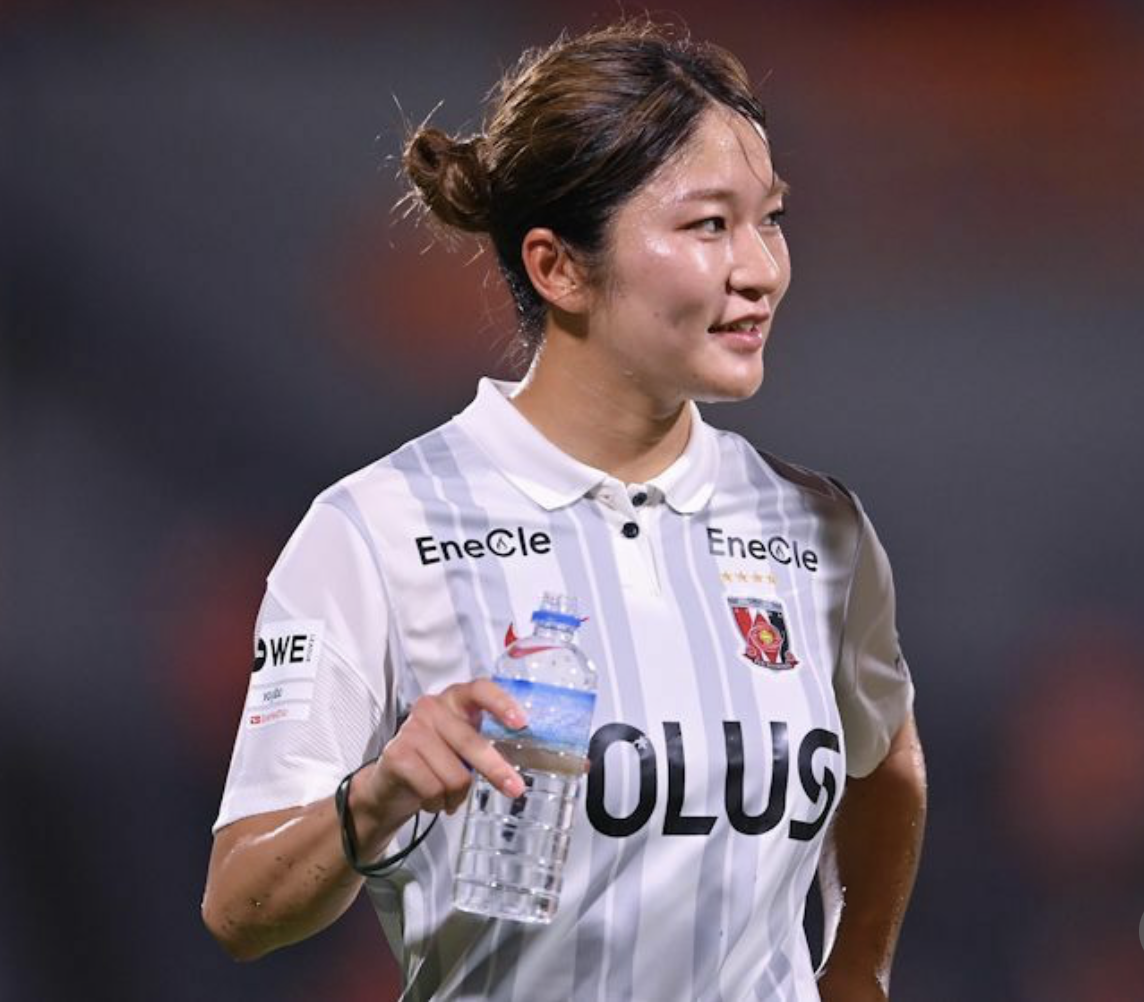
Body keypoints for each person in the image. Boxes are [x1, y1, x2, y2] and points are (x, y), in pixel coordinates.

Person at [202, 19, 926, 1001]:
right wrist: (377, 796)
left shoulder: (817, 529)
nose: (760, 269)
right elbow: (241, 908)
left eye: (771, 218)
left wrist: (857, 971)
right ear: (559, 268)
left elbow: (885, 762)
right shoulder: (378, 530)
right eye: (709, 226)